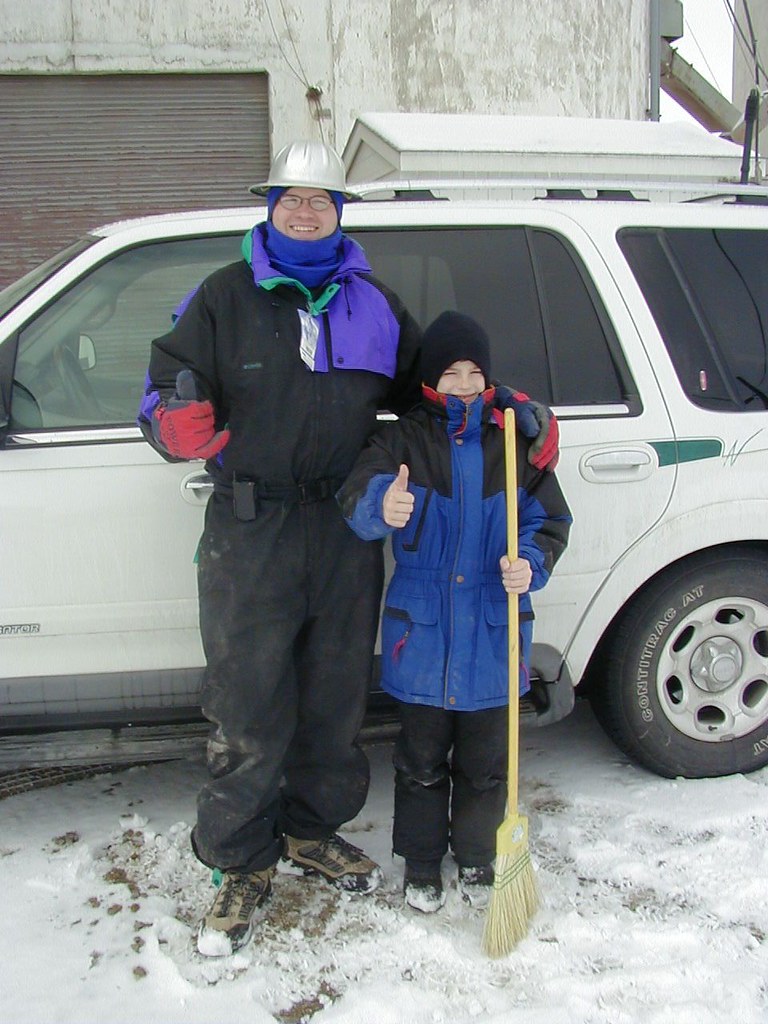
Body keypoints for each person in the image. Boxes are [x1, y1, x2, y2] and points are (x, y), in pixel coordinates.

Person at [137, 140, 559, 955]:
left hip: (345, 524)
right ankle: (240, 862)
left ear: (339, 212)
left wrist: (510, 407)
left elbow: (435, 387)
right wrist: (169, 423)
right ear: (270, 209)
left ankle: (311, 829)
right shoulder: (222, 297)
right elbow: (164, 387)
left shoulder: (375, 305)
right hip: (251, 528)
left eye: (320, 200)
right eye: (291, 199)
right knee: (247, 700)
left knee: (335, 696)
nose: (305, 212)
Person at [338, 311, 572, 913]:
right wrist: (380, 505)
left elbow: (549, 521)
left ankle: (476, 855)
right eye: (451, 373)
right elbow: (358, 491)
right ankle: (420, 862)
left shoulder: (512, 443)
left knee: (486, 764)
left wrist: (530, 563)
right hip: (423, 636)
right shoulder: (402, 441)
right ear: (429, 381)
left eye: (474, 373)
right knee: (420, 760)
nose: (464, 384)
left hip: (495, 630)